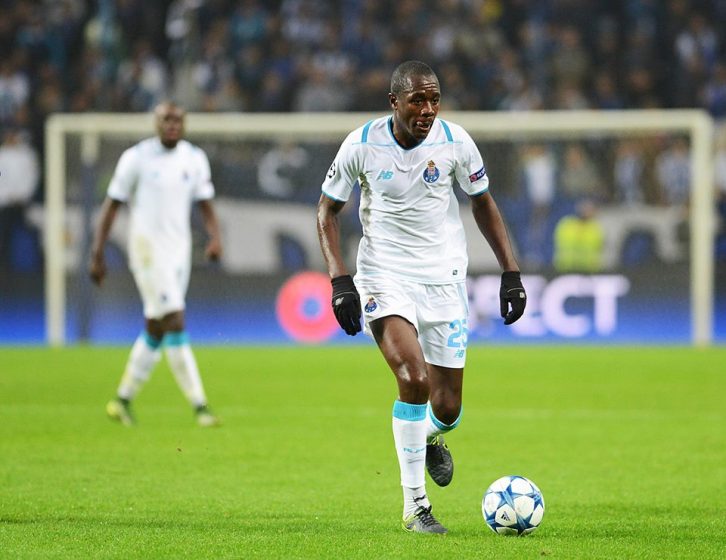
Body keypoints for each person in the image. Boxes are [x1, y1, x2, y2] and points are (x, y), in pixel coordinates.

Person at [316, 60, 526, 534]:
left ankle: (427, 437)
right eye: (418, 100)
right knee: (413, 379)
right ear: (394, 102)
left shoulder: (456, 142)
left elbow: (483, 202)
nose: (428, 109)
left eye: (434, 99)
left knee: (446, 408)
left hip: (444, 281)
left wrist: (510, 272)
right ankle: (416, 506)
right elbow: (327, 210)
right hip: (384, 276)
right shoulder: (362, 145)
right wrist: (340, 280)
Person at [89, 101, 222, 428]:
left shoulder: (194, 158)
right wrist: (97, 252)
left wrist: (214, 237)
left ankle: (121, 401)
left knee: (156, 327)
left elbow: (205, 203)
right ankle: (200, 407)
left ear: (184, 123)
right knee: (174, 319)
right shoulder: (136, 158)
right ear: (156, 123)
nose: (172, 125)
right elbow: (111, 206)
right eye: (166, 120)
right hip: (147, 252)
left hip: (179, 252)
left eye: (177, 120)